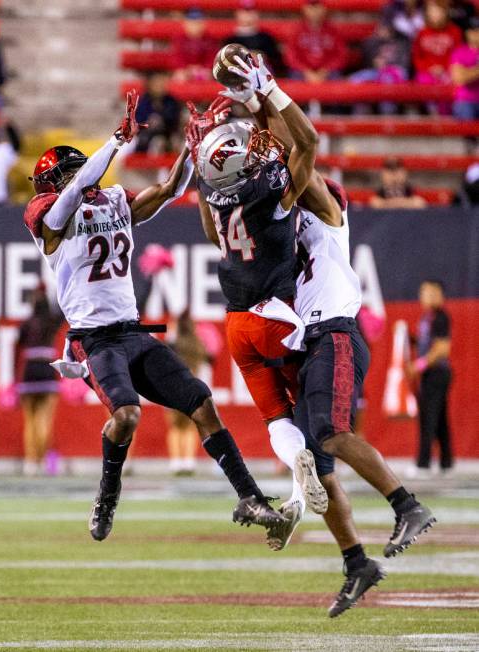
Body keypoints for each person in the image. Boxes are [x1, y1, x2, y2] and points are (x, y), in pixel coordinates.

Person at [218, 56, 436, 617]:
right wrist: (246, 114)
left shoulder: (328, 215)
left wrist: (267, 91)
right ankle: (356, 562)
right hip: (310, 340)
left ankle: (407, 504)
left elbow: (302, 150)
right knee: (318, 464)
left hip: (334, 332)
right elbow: (271, 164)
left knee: (332, 433)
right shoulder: (278, 218)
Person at [23, 90, 283, 541]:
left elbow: (170, 190)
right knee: (126, 416)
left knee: (201, 402)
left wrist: (193, 148)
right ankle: (107, 493)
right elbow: (69, 199)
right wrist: (113, 143)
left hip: (132, 333)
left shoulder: (113, 201)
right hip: (95, 339)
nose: (82, 180)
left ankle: (251, 498)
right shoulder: (47, 217)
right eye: (73, 174)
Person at [189, 80, 329, 553]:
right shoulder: (268, 191)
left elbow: (212, 229)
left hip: (237, 326)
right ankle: (314, 465)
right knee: (314, 401)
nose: (257, 148)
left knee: (275, 420)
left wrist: (200, 168)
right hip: (276, 317)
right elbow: (306, 146)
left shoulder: (215, 190)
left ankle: (296, 485)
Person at [406, 280, 453, 474]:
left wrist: (419, 365)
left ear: (438, 294)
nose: (424, 296)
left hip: (437, 373)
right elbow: (426, 343)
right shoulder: (427, 317)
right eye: (423, 292)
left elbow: (442, 349)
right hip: (430, 374)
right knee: (440, 418)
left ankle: (423, 463)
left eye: (428, 292)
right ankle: (446, 462)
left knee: (428, 417)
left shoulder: (441, 317)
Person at [17, 284, 63, 476]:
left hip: (30, 370)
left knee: (30, 420)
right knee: (45, 419)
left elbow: (19, 346)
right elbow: (62, 306)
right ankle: (42, 461)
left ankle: (30, 462)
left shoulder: (26, 324)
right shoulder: (52, 321)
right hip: (47, 369)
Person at [165, 310, 209, 476]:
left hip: (173, 389)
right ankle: (189, 461)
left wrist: (171, 331)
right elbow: (207, 361)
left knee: (175, 427)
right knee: (190, 426)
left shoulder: (173, 345)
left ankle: (176, 461)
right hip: (193, 388)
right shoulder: (197, 344)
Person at [412, 0, 462, 114]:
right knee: (424, 82)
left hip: (448, 70)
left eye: (438, 11)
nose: (435, 14)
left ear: (445, 12)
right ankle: (431, 115)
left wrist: (445, 68)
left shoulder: (455, 31)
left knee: (447, 83)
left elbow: (457, 55)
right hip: (426, 71)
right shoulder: (422, 32)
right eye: (432, 11)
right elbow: (417, 57)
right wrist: (430, 68)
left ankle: (445, 116)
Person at [284, 0, 350, 82]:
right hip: (301, 72)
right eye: (311, 7)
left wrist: (326, 70)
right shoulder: (296, 31)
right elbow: (291, 56)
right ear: (304, 9)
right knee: (294, 81)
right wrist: (306, 71)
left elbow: (341, 55)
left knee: (337, 80)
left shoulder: (334, 31)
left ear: (324, 9)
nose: (315, 11)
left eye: (318, 7)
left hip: (329, 72)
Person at [223, 0, 286, 76]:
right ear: (237, 13)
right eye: (245, 11)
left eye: (251, 11)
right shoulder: (229, 40)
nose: (248, 15)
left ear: (257, 14)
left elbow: (279, 65)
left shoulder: (267, 38)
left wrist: (262, 57)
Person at [135, 73, 181, 153]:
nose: (159, 86)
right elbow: (138, 122)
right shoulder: (143, 101)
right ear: (149, 84)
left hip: (167, 135)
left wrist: (161, 120)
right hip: (146, 137)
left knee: (162, 141)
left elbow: (174, 121)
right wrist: (149, 123)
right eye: (156, 83)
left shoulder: (171, 101)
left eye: (161, 83)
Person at [172, 9, 218, 82]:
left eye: (198, 23)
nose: (195, 27)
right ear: (185, 24)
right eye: (192, 23)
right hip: (185, 70)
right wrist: (186, 69)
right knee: (180, 76)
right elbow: (177, 57)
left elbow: (211, 57)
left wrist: (203, 68)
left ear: (203, 24)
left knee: (208, 75)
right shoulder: (179, 38)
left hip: (204, 70)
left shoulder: (210, 39)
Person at [450, 15, 479, 120]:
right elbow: (460, 78)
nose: (476, 34)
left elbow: (464, 75)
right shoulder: (460, 52)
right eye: (473, 30)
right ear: (467, 33)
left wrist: (470, 72)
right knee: (465, 110)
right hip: (467, 100)